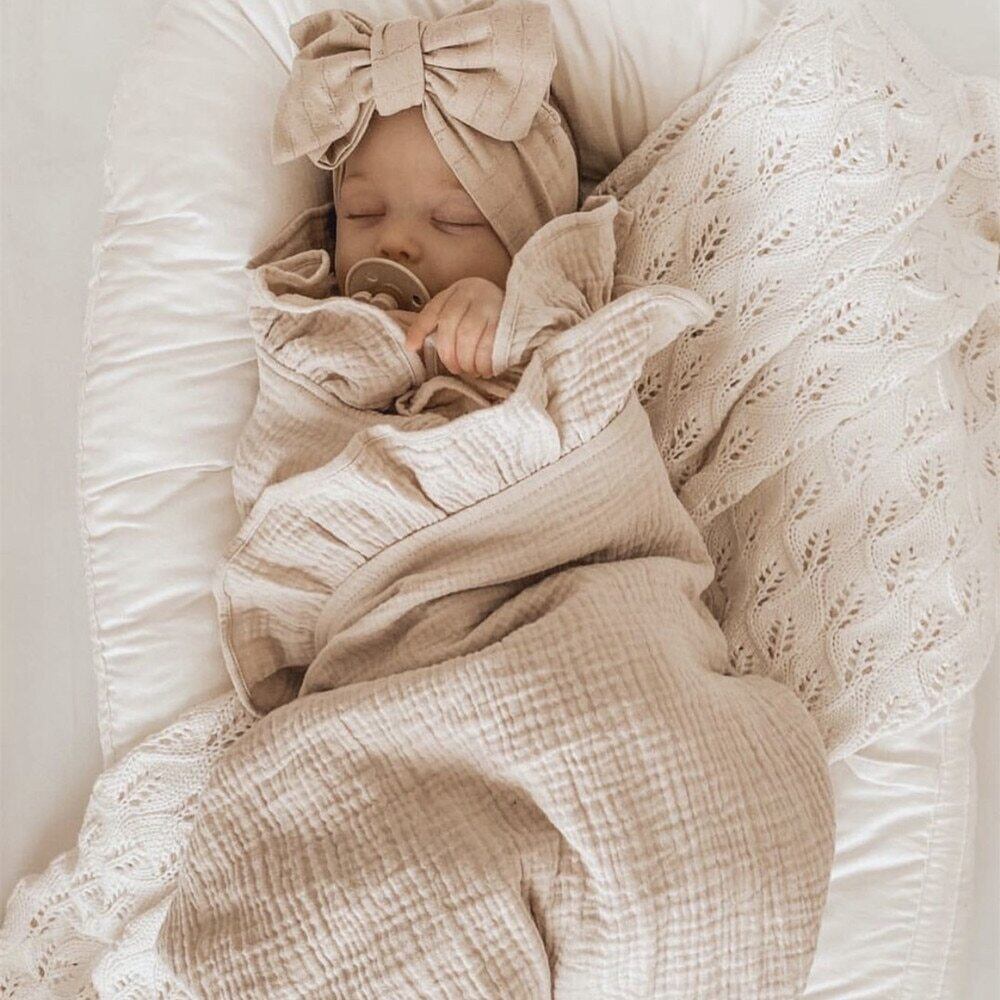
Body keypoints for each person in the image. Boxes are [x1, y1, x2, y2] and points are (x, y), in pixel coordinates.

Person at [271, 0, 580, 378]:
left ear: (533, 246)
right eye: (362, 212)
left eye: (453, 220)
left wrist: (516, 329)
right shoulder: (301, 316)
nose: (395, 240)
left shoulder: (562, 334)